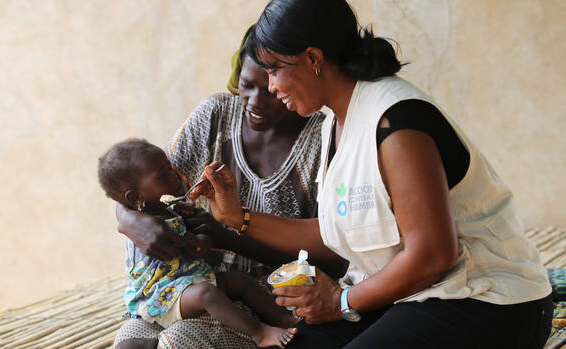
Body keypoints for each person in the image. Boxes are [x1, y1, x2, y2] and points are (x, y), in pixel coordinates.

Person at [189, 1, 554, 348]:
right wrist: (238, 218)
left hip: (486, 300)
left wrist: (341, 300)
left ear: (313, 58)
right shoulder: (335, 121)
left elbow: (432, 255)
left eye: (273, 70)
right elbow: (336, 229)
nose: (270, 86)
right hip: (409, 296)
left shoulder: (396, 125)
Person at [112, 27, 345, 349]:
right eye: (247, 85)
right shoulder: (216, 115)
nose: (255, 102)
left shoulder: (323, 141)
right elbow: (139, 185)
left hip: (270, 296)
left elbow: (335, 258)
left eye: (271, 91)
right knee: (129, 340)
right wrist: (130, 221)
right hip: (187, 282)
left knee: (179, 342)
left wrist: (228, 238)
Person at [98, 139, 298, 348]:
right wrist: (195, 241)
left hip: (188, 282)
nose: (173, 176)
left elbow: (197, 250)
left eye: (169, 168)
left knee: (239, 280)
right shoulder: (149, 228)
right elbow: (186, 250)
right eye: (163, 175)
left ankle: (285, 319)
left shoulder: (169, 210)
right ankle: (260, 334)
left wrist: (201, 233)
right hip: (161, 297)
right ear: (136, 197)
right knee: (206, 294)